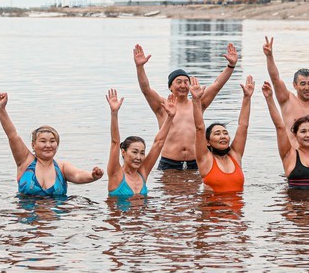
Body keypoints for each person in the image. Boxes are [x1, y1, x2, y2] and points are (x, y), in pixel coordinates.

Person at [133, 42, 239, 170]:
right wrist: (140, 67)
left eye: (186, 82)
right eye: (178, 82)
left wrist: (231, 65)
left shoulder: (197, 103)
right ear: (170, 87)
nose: (183, 85)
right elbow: (146, 89)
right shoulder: (163, 106)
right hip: (169, 162)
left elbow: (217, 85)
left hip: (195, 162)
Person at [0, 92, 104, 197]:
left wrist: (92, 176)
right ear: (33, 145)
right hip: (28, 213)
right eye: (43, 141)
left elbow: (78, 175)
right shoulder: (25, 162)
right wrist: (1, 109)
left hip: (55, 212)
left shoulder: (62, 168)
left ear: (57, 145)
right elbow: (12, 135)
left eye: (52, 141)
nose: (48, 145)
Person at [105, 89, 176, 198]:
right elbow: (115, 142)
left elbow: (159, 143)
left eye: (142, 153)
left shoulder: (142, 172)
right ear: (123, 152)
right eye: (134, 152)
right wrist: (114, 113)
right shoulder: (116, 174)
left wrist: (170, 117)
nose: (139, 157)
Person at [189, 76, 254, 194]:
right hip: (213, 210)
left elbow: (243, 126)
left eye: (225, 133)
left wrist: (247, 98)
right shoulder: (205, 158)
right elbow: (199, 128)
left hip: (236, 212)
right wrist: (196, 101)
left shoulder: (235, 155)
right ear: (207, 141)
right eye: (217, 134)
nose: (223, 136)